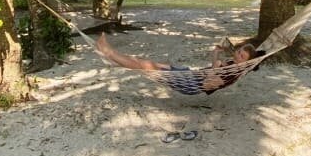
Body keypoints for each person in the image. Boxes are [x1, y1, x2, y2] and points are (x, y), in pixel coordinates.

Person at [95, 33, 264, 94]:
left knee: (145, 65)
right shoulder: (229, 64)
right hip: (189, 74)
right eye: (240, 51)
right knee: (148, 64)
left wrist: (215, 62)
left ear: (245, 63)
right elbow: (211, 72)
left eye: (242, 56)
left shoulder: (232, 74)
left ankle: (108, 52)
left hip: (190, 84)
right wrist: (215, 56)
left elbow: (209, 85)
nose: (238, 54)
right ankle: (112, 56)